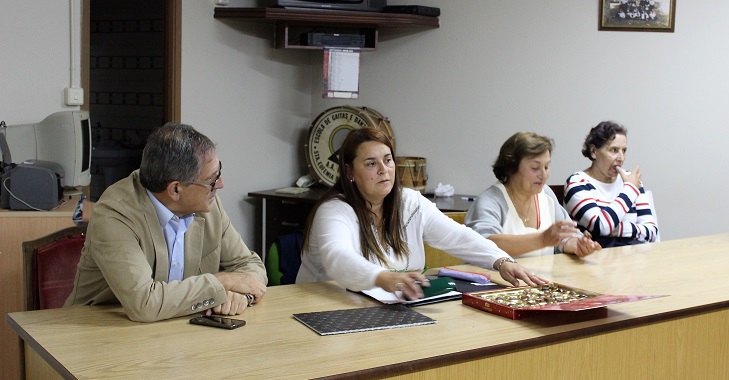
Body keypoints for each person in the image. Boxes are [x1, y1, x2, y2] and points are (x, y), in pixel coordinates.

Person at [295, 127, 546, 300]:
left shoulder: (409, 201)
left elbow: (457, 236)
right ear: (349, 172)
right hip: (322, 310)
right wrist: (381, 277)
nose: (384, 170)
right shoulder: (334, 210)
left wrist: (501, 261)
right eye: (371, 163)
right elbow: (338, 258)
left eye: (388, 160)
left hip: (386, 307)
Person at [64, 122, 268, 322]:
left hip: (178, 327)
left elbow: (250, 265)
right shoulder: (115, 214)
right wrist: (222, 282)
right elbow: (144, 304)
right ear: (176, 189)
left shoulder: (209, 206)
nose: (220, 184)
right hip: (99, 330)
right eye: (212, 179)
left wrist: (242, 295)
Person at [465, 132, 600, 258]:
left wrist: (575, 244)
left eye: (546, 167)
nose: (543, 175)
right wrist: (542, 240)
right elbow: (483, 245)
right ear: (511, 168)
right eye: (535, 168)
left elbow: (563, 236)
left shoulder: (546, 194)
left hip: (543, 281)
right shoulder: (490, 201)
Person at [564, 121, 659, 248]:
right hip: (595, 260)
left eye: (624, 151)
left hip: (632, 259)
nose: (621, 158)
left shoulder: (632, 180)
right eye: (614, 150)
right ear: (593, 151)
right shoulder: (577, 183)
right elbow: (601, 226)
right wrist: (630, 190)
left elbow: (652, 232)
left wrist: (617, 229)